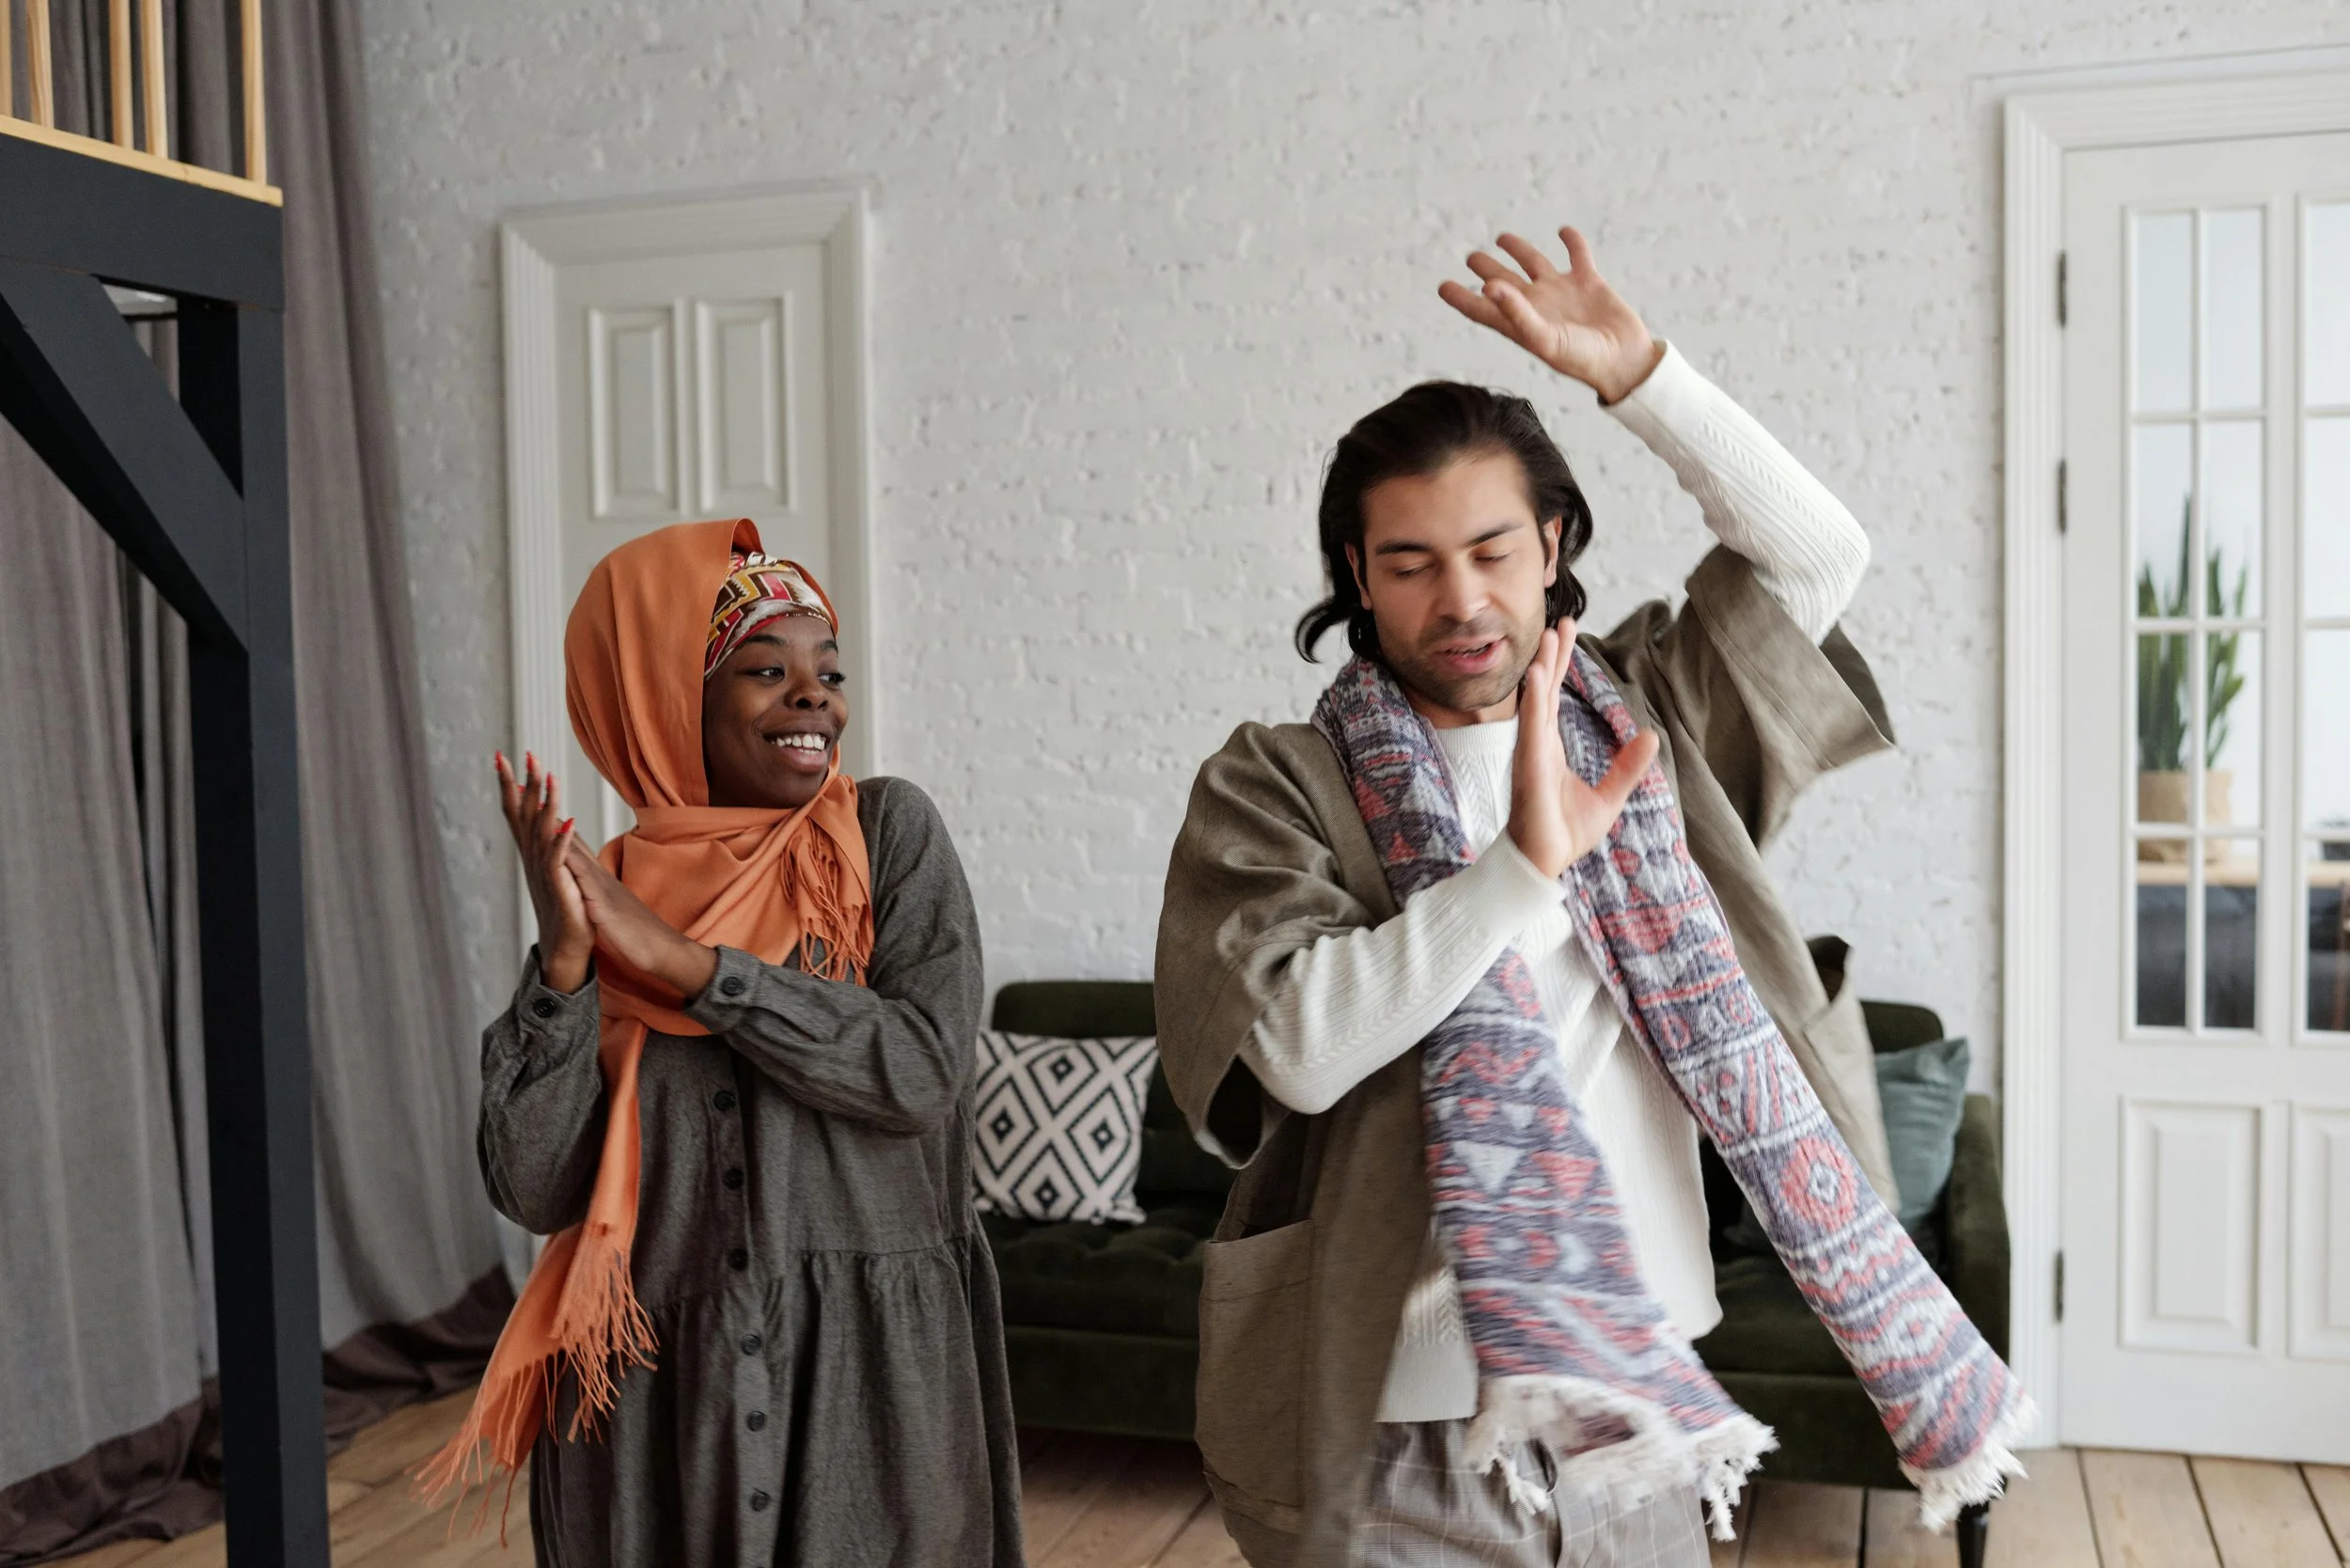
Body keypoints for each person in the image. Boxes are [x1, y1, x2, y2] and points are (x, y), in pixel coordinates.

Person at [1154, 227, 2029, 1567]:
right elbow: (1298, 1050)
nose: (1461, 599)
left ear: (1552, 539)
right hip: (1393, 1420)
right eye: (1410, 563)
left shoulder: (1648, 719)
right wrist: (1517, 871)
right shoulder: (1276, 781)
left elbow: (1816, 561)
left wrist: (1643, 377)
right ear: (1357, 576)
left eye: (1493, 549)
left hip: (1641, 1399)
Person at [421, 518, 1022, 1567]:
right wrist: (564, 970)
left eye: (829, 671)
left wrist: (691, 964)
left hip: (868, 1391)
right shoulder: (604, 899)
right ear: (662, 704)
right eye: (766, 670)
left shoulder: (884, 838)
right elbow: (536, 1189)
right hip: (656, 1404)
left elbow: (920, 1071)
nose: (816, 697)